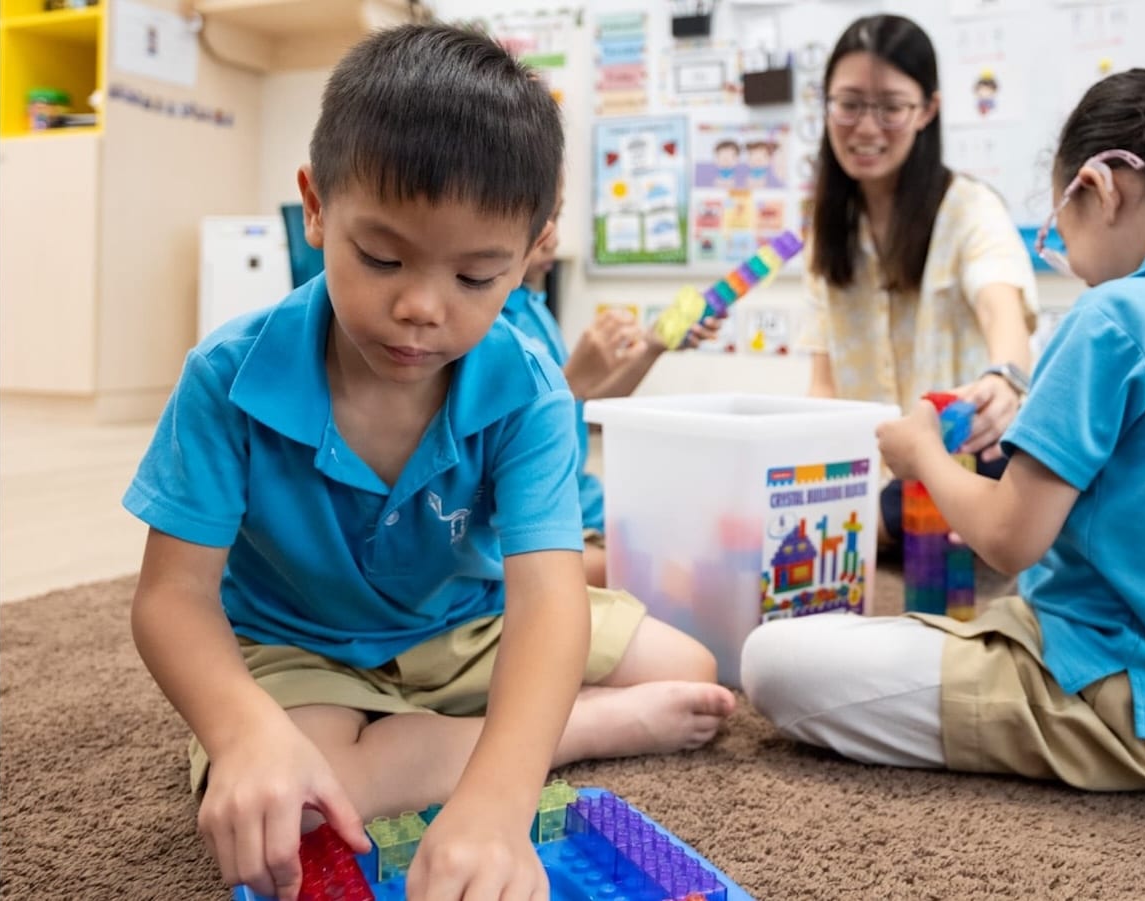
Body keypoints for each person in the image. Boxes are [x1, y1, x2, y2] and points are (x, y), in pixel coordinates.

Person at [125, 25, 734, 901]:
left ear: (530, 256)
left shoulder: (529, 392)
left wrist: (497, 802)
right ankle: (576, 727)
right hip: (298, 643)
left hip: (462, 625)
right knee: (296, 800)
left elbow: (547, 600)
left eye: (477, 276)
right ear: (317, 208)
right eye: (382, 257)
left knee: (693, 667)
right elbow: (172, 597)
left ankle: (514, 731)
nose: (419, 308)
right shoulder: (227, 378)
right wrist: (243, 730)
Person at [742, 68, 1145, 791]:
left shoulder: (1113, 317)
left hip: (1129, 706)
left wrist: (922, 452)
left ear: (1101, 188)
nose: (1068, 256)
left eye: (1061, 222)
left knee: (773, 659)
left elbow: (1008, 537)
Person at [796, 14, 1039, 553]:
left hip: (958, 469)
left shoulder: (969, 210)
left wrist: (1005, 377)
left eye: (891, 108)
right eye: (850, 103)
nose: (865, 128)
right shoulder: (826, 230)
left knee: (995, 481)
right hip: (866, 482)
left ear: (927, 109)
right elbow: (824, 387)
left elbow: (1002, 304)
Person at [501, 183, 720, 586]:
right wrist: (571, 383)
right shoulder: (496, 324)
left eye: (558, 216)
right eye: (542, 216)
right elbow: (508, 437)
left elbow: (590, 409)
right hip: (546, 515)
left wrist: (653, 347)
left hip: (585, 500)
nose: (555, 237)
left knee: (703, 535)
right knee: (663, 572)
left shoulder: (535, 307)